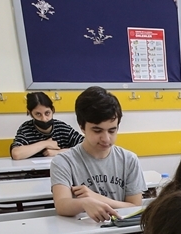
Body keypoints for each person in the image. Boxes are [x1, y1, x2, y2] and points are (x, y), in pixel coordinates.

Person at [50, 86, 145, 222]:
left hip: (122, 232)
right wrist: (84, 203)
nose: (106, 139)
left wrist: (97, 198)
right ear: (82, 127)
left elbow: (135, 206)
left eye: (112, 131)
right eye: (97, 131)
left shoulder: (129, 160)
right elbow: (61, 205)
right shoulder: (64, 162)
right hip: (83, 231)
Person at [10, 91, 83, 160]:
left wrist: (58, 152)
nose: (44, 119)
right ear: (30, 113)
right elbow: (16, 154)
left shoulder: (62, 128)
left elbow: (85, 147)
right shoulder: (26, 129)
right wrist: (46, 143)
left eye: (47, 113)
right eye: (38, 114)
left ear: (52, 110)